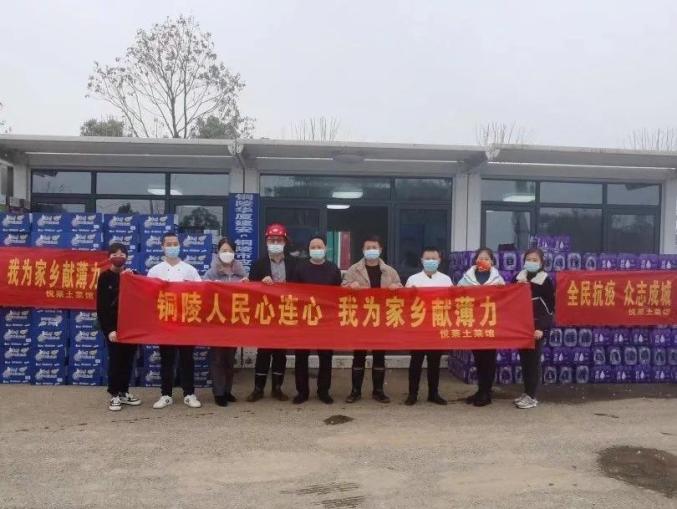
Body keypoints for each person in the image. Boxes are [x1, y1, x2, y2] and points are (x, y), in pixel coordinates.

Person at [342, 235, 402, 403]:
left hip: (381, 319)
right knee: (359, 355)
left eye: (374, 247)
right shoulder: (354, 270)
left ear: (380, 249)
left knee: (379, 355)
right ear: (363, 250)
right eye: (368, 248)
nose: (371, 250)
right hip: (361, 318)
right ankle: (355, 391)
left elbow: (401, 290)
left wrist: (397, 288)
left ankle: (378, 391)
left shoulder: (390, 271)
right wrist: (349, 287)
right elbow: (341, 290)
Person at [147, 232, 202, 410]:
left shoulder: (189, 270)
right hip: (165, 322)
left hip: (186, 322)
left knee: (187, 359)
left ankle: (189, 394)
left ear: (180, 245)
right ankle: (166, 394)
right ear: (162, 247)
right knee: (166, 360)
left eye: (175, 243)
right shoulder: (155, 271)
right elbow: (148, 296)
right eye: (168, 244)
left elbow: (201, 293)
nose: (172, 247)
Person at [246, 223, 297, 402]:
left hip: (285, 313)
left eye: (278, 240)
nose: (275, 243)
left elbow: (301, 287)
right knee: (263, 352)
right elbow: (250, 290)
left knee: (280, 353)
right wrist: (261, 283)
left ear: (285, 242)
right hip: (265, 313)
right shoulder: (258, 264)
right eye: (272, 240)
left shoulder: (294, 263)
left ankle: (277, 388)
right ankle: (258, 389)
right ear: (266, 242)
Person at [290, 235, 343, 404]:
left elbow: (338, 294)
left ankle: (323, 391)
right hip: (304, 319)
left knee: (326, 356)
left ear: (325, 248)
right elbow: (293, 292)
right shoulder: (300, 268)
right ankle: (302, 392)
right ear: (309, 250)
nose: (316, 249)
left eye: (319, 247)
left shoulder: (333, 269)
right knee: (301, 356)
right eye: (313, 247)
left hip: (326, 320)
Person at [202, 237, 248, 407]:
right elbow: (201, 294)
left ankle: (228, 390)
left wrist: (247, 285)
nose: (227, 253)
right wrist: (210, 286)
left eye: (230, 250)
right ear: (218, 252)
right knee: (217, 358)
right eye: (224, 250)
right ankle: (219, 392)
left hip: (234, 322)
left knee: (230, 358)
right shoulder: (211, 273)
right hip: (216, 321)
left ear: (234, 253)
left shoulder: (241, 273)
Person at [404, 246, 453, 406]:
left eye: (434, 258)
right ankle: (412, 394)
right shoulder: (413, 279)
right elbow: (404, 303)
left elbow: (452, 302)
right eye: (427, 258)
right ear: (421, 260)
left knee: (434, 363)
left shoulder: (446, 280)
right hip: (418, 327)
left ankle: (433, 393)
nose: (430, 261)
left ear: (439, 260)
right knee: (416, 362)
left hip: (436, 326)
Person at [457, 247, 505, 407]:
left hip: (491, 324)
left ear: (492, 261)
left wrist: (501, 291)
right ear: (475, 260)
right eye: (480, 257)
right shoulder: (467, 277)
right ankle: (480, 390)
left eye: (486, 258)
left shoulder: (498, 279)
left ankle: (486, 393)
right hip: (474, 323)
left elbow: (505, 300)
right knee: (478, 358)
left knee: (489, 359)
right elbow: (457, 295)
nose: (483, 260)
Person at [96, 242, 141, 412]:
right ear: (109, 257)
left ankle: (124, 391)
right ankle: (114, 394)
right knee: (116, 360)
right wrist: (109, 330)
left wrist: (132, 278)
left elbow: (141, 298)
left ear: (127, 257)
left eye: (122, 254)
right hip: (114, 328)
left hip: (131, 327)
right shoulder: (104, 277)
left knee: (128, 361)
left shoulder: (133, 275)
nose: (119, 257)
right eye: (115, 254)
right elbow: (102, 307)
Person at [512, 248, 555, 409]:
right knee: (524, 361)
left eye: (535, 260)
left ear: (541, 263)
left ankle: (532, 396)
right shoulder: (518, 277)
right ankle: (526, 392)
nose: (531, 262)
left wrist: (541, 328)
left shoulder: (545, 280)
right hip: (521, 327)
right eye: (528, 259)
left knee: (533, 361)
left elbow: (549, 307)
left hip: (536, 328)